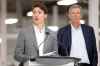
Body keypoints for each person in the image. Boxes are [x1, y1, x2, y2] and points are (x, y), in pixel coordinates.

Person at [14, 1, 58, 66]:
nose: (36, 15)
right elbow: (17, 55)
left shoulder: (52, 34)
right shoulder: (24, 33)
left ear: (45, 16)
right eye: (34, 12)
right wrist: (30, 59)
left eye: (39, 12)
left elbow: (56, 55)